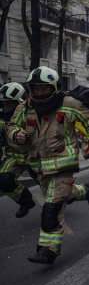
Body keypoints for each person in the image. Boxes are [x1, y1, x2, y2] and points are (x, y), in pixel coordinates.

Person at [8, 67, 89, 264]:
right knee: (62, 196)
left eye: (44, 89)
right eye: (36, 89)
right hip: (38, 166)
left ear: (55, 88)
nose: (39, 92)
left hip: (63, 166)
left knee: (52, 206)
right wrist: (16, 134)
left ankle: (48, 250)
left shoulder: (70, 104)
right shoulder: (23, 108)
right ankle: (85, 191)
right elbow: (11, 127)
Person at [0, 83, 37, 218]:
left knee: (56, 191)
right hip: (14, 157)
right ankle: (26, 201)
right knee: (3, 179)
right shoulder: (1, 118)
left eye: (10, 102)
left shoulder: (32, 114)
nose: (6, 105)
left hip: (35, 157)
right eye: (4, 102)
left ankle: (83, 191)